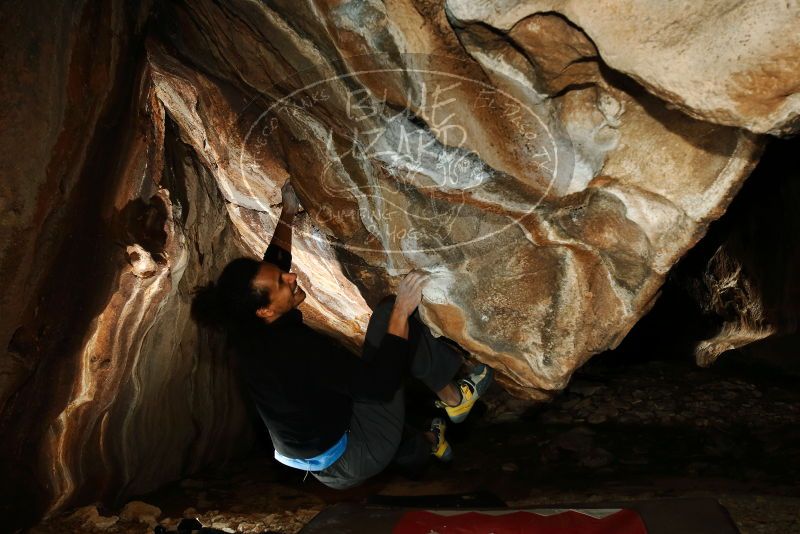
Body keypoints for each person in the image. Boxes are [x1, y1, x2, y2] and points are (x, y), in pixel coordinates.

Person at [190, 181, 493, 489]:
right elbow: (379, 386)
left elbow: (272, 269)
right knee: (388, 321)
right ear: (265, 311)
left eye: (283, 275)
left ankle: (429, 443)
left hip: (321, 457)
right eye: (283, 283)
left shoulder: (245, 329)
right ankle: (455, 398)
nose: (291, 277)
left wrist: (289, 213)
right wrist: (402, 310)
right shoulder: (295, 349)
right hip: (354, 454)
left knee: (347, 392)